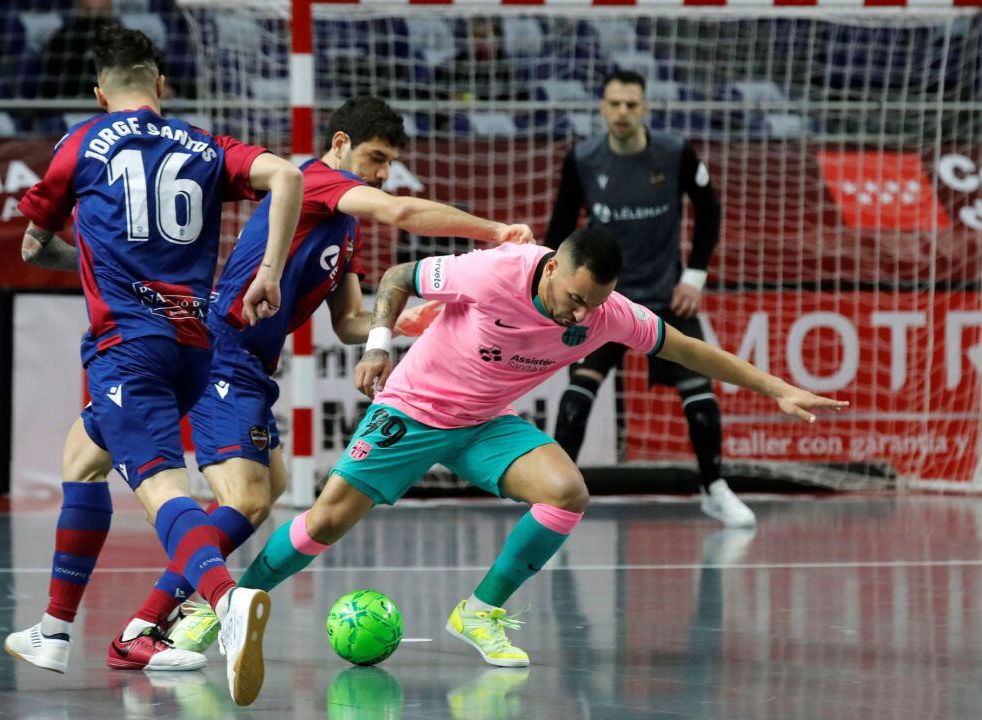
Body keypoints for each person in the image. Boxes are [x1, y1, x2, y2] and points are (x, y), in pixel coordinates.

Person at [221, 228, 846, 668]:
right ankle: (233, 604)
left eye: (594, 303)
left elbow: (686, 348)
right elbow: (396, 277)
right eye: (574, 297)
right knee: (327, 519)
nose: (581, 313)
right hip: (414, 408)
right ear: (550, 268)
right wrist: (379, 344)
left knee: (567, 491)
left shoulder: (605, 314)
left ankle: (479, 612)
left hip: (488, 422)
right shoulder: (494, 271)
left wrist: (777, 388)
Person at [108, 96, 534, 659]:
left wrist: (404, 322)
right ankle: (147, 624)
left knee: (272, 488)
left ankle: (178, 605)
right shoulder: (315, 182)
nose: (382, 174)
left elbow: (349, 322)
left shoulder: (344, 227)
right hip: (223, 354)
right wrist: (496, 231)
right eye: (375, 158)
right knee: (249, 501)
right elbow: (402, 213)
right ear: (338, 145)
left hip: (255, 370)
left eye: (388, 164)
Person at [3, 24, 304, 707]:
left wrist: (88, 264)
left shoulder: (79, 145)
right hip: (194, 347)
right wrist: (269, 273)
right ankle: (53, 630)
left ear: (99, 89)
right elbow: (287, 175)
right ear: (160, 85)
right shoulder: (204, 145)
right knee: (82, 456)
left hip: (128, 349)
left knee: (161, 490)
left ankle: (226, 602)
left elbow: (34, 247)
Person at [544, 69, 752, 527]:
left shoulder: (675, 154)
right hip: (602, 306)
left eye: (631, 104)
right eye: (614, 103)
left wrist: (694, 277)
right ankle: (553, 499)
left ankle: (714, 488)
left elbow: (711, 210)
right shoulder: (583, 159)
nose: (622, 112)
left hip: (663, 300)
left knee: (701, 394)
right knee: (577, 397)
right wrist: (551, 288)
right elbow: (559, 228)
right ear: (601, 106)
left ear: (645, 108)